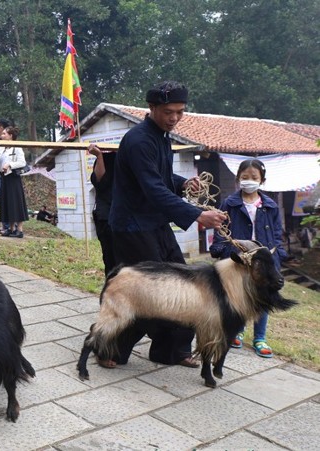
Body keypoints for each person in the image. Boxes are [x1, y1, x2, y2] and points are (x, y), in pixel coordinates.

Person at [107, 80, 226, 369]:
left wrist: (184, 182)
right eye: (168, 111)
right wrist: (196, 214)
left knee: (184, 282)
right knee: (148, 292)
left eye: (180, 112)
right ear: (152, 108)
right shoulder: (137, 140)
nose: (174, 118)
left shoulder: (161, 136)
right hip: (132, 226)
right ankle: (109, 348)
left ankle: (170, 350)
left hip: (155, 222)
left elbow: (161, 178)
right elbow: (153, 189)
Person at [210, 159, 288, 358]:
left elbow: (277, 233)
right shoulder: (230, 203)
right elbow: (221, 228)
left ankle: (260, 338)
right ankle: (238, 330)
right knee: (240, 294)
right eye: (245, 177)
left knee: (263, 295)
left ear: (262, 180)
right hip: (239, 257)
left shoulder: (269, 206)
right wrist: (220, 248)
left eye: (254, 177)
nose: (249, 181)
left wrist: (277, 254)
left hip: (263, 259)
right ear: (238, 179)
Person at [88, 144, 117, 276]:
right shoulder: (104, 158)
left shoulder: (128, 160)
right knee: (110, 259)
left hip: (124, 217)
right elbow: (100, 180)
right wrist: (99, 156)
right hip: (106, 217)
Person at [0, 126, 29, 238]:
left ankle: (19, 230)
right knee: (7, 202)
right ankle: (11, 228)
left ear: (11, 136)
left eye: (5, 134)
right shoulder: (2, 148)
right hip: (4, 177)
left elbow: (22, 162)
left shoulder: (17, 148)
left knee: (16, 202)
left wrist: (10, 165)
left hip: (13, 178)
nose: (2, 135)